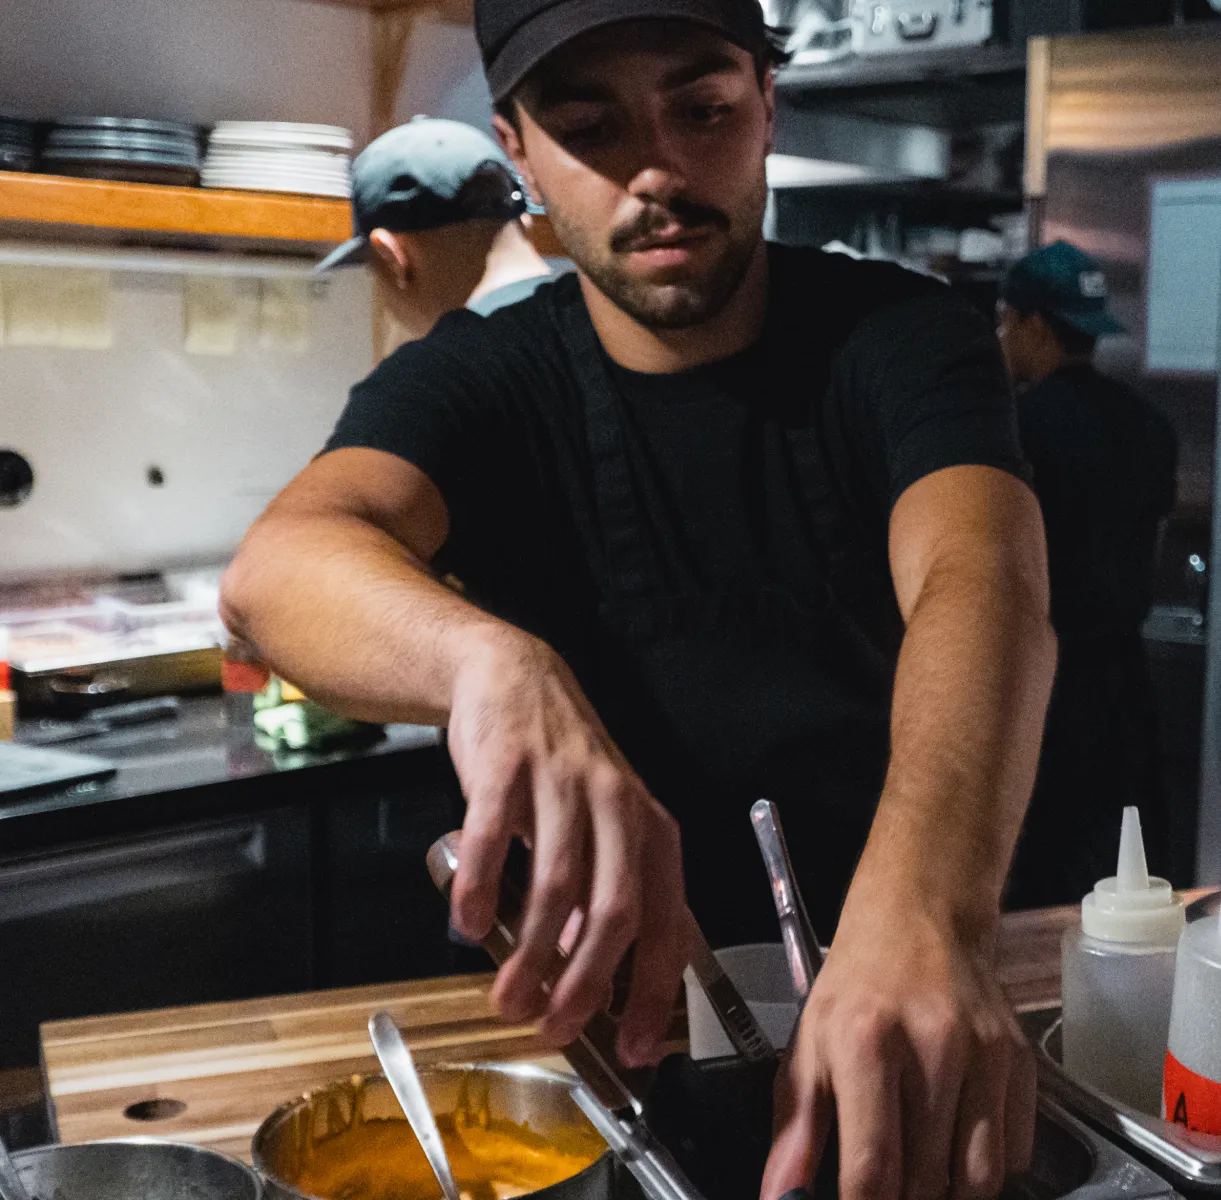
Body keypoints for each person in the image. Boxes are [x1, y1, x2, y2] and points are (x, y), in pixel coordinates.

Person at [219, 0, 1058, 1195]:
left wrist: (929, 909)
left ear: (767, 108)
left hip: (912, 990)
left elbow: (983, 579)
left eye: (703, 109)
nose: (658, 169)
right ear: (517, 150)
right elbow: (279, 569)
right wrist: (491, 665)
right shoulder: (480, 375)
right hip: (613, 1044)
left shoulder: (899, 338)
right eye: (587, 124)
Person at [994, 242, 1178, 909]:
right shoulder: (1150, 426)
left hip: (1043, 689)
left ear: (1034, 324)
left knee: (1041, 885)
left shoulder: (1013, 429)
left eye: (1006, 321)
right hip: (1127, 684)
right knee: (1126, 877)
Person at [315, 117, 554, 337]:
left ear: (391, 256)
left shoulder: (433, 377)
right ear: (525, 223)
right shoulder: (586, 317)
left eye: (374, 272)